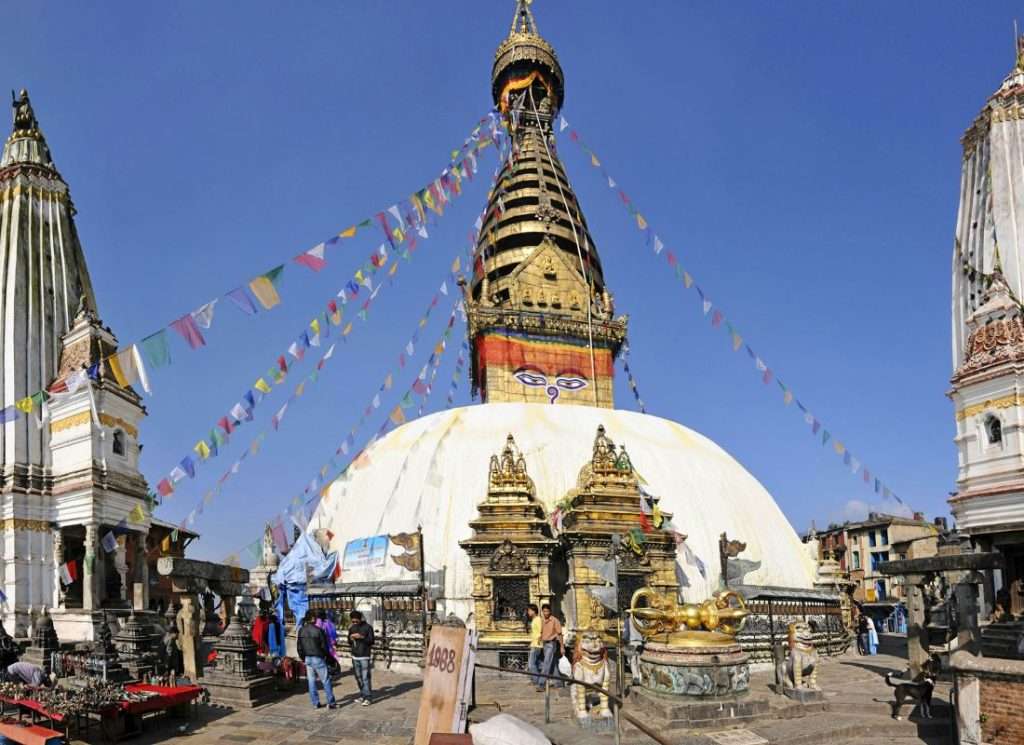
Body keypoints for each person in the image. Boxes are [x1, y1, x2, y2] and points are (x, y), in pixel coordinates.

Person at [296, 611, 337, 709]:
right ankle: (331, 702)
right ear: (312, 619)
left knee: (311, 681)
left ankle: (315, 703)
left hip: (308, 658)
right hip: (318, 657)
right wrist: (326, 657)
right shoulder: (318, 630)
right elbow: (324, 647)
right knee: (326, 680)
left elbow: (299, 647)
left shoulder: (301, 630)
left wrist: (303, 658)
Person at [347, 611, 375, 705]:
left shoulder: (368, 627)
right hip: (355, 656)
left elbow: (371, 641)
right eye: (353, 621)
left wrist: (361, 637)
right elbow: (349, 642)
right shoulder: (352, 628)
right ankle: (363, 695)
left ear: (360, 619)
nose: (354, 623)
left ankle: (368, 697)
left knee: (365, 678)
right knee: (358, 677)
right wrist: (350, 638)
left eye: (356, 621)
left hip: (364, 655)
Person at [540, 604, 564, 688]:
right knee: (552, 663)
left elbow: (560, 634)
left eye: (547, 611)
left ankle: (541, 683)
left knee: (546, 663)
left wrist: (562, 647)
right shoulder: (542, 620)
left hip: (552, 644)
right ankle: (559, 682)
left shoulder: (555, 620)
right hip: (544, 644)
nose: (545, 613)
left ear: (550, 611)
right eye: (544, 611)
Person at [526, 604, 543, 690]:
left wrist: (537, 642)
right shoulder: (534, 620)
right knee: (538, 664)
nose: (528, 612)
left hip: (537, 645)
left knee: (531, 664)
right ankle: (538, 680)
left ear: (533, 611)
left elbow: (540, 632)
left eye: (529, 610)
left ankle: (537, 681)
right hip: (535, 644)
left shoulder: (538, 619)